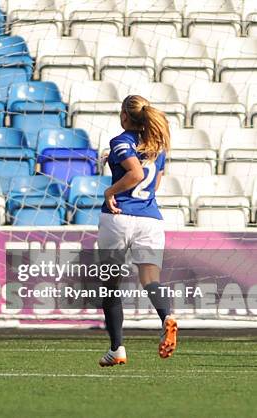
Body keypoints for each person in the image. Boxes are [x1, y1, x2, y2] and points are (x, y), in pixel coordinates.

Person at [97, 94, 177, 367]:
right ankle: (166, 317)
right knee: (150, 280)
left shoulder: (121, 141)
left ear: (124, 116)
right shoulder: (158, 147)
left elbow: (136, 175)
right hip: (150, 220)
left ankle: (117, 348)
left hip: (119, 218)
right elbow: (153, 187)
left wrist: (110, 190)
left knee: (110, 286)